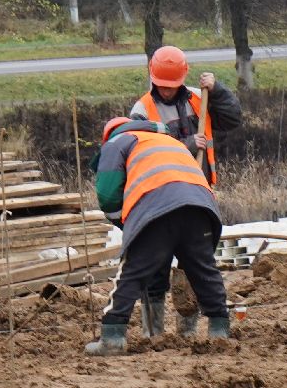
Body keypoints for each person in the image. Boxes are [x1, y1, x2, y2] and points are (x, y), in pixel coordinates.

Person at [86, 117, 232, 356]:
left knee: (133, 270)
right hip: (201, 206)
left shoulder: (117, 142)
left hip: (158, 207)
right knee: (205, 269)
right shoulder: (168, 141)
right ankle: (219, 331)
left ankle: (113, 336)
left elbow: (108, 195)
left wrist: (128, 224)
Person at [128, 44, 243, 337]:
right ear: (152, 78)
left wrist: (217, 92)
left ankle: (192, 332)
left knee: (199, 267)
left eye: (172, 86)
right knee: (155, 268)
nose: (166, 92)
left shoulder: (198, 99)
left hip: (197, 196)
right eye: (161, 86)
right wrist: (189, 144)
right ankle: (153, 334)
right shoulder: (142, 110)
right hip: (160, 199)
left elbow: (232, 119)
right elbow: (144, 151)